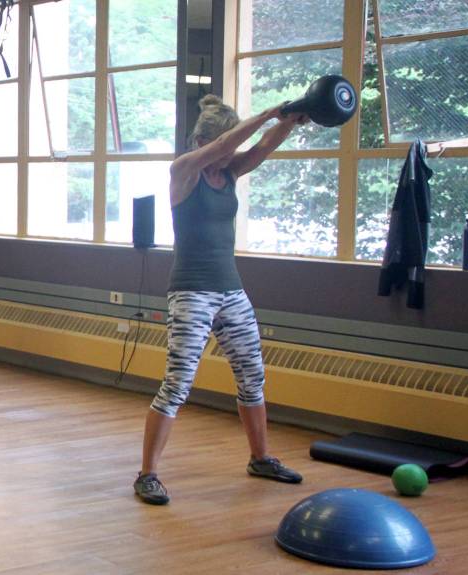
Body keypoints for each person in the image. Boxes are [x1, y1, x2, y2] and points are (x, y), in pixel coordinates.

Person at [134, 95, 307, 505]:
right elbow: (230, 144)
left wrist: (289, 121)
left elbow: (262, 147)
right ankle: (147, 475)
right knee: (178, 382)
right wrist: (266, 114)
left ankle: (260, 458)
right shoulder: (184, 170)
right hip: (191, 292)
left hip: (231, 291)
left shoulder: (227, 172)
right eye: (223, 148)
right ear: (201, 142)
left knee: (252, 376)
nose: (230, 156)